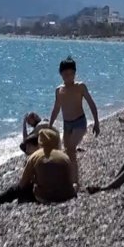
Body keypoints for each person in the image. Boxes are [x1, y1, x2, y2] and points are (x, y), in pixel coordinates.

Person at [0, 129, 76, 212]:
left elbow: (22, 183)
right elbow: (70, 179)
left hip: (46, 197)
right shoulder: (65, 157)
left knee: (15, 189)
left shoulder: (35, 156)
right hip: (68, 195)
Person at [49, 56, 100, 185]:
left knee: (71, 149)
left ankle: (75, 182)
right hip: (67, 125)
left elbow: (91, 104)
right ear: (61, 74)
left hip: (80, 122)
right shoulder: (59, 90)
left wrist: (96, 122)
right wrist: (49, 125)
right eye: (65, 73)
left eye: (71, 73)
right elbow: (56, 109)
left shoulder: (80, 87)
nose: (68, 76)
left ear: (75, 73)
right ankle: (70, 178)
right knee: (67, 152)